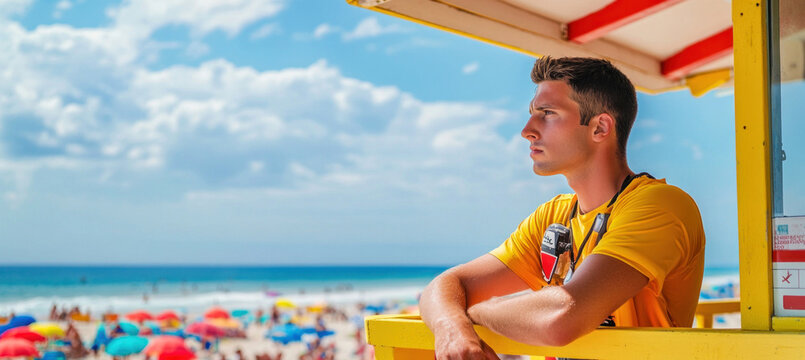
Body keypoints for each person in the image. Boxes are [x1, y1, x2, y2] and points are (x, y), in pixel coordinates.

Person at [419, 56, 705, 359]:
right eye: (532, 114)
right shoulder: (553, 216)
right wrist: (451, 325)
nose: (527, 130)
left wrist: (478, 311)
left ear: (600, 127)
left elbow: (562, 316)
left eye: (547, 113)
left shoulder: (660, 204)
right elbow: (445, 285)